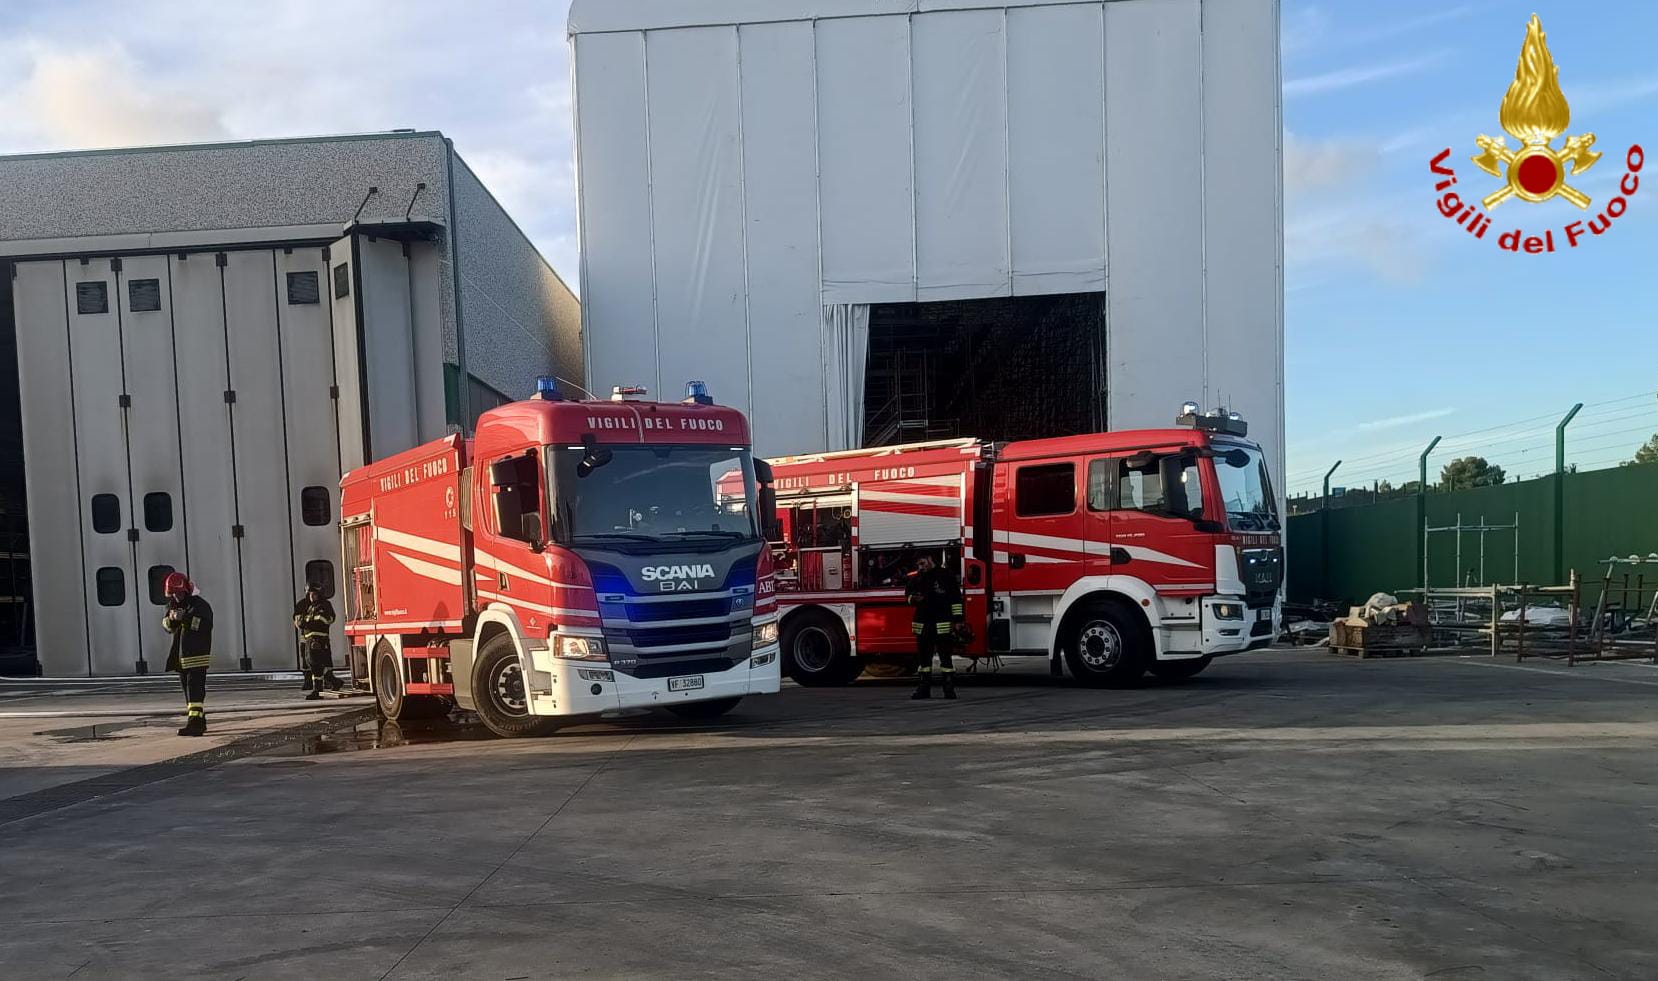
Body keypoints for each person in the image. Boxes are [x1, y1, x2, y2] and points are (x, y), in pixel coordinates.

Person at [906, 555, 964, 700]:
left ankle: (949, 689)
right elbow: (907, 595)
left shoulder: (946, 576)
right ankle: (923, 689)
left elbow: (956, 599)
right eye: (918, 564)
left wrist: (958, 620)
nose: (920, 567)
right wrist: (913, 599)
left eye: (922, 563)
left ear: (930, 560)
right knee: (924, 660)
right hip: (923, 624)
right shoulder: (917, 578)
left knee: (946, 658)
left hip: (942, 623)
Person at [161, 573, 213, 736]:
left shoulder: (199, 605)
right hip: (181, 658)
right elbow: (166, 626)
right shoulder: (172, 606)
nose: (176, 596)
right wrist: (172, 620)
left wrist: (185, 618)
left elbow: (204, 625)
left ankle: (195, 724)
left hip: (196, 657)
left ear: (186, 590)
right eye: (173, 594)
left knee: (195, 691)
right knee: (188, 692)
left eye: (179, 593)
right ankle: (199, 721)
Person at [293, 582, 341, 700]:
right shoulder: (309, 607)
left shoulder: (324, 605)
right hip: (309, 640)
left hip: (319, 640)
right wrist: (305, 622)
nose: (311, 596)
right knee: (313, 664)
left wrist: (308, 622)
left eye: (314, 594)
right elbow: (300, 621)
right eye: (310, 594)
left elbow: (327, 619)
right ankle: (333, 682)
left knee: (317, 665)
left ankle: (319, 690)